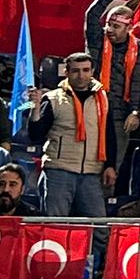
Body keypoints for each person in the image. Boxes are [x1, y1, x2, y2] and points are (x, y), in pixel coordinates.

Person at [27, 51, 115, 217]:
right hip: (59, 171)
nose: (81, 75)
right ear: (66, 72)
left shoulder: (103, 99)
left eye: (85, 70)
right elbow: (35, 135)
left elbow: (109, 134)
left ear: (92, 71)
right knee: (55, 225)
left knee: (97, 226)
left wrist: (110, 165)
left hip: (92, 172)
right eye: (75, 71)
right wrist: (35, 108)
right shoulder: (52, 98)